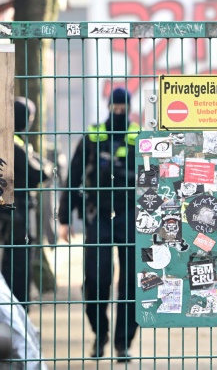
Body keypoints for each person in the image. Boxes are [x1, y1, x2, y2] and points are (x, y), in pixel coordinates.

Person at [58, 87, 140, 359]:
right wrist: (64, 218)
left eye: (123, 107)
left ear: (128, 108)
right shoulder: (93, 136)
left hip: (131, 215)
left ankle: (123, 342)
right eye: (115, 106)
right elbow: (73, 176)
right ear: (109, 105)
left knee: (131, 283)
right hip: (99, 214)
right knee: (95, 279)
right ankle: (100, 334)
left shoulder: (139, 136)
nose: (119, 111)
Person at [0, 97, 50, 307]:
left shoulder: (11, 141)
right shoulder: (14, 145)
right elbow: (39, 173)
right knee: (18, 268)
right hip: (17, 215)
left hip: (13, 213)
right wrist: (44, 164)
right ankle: (18, 311)